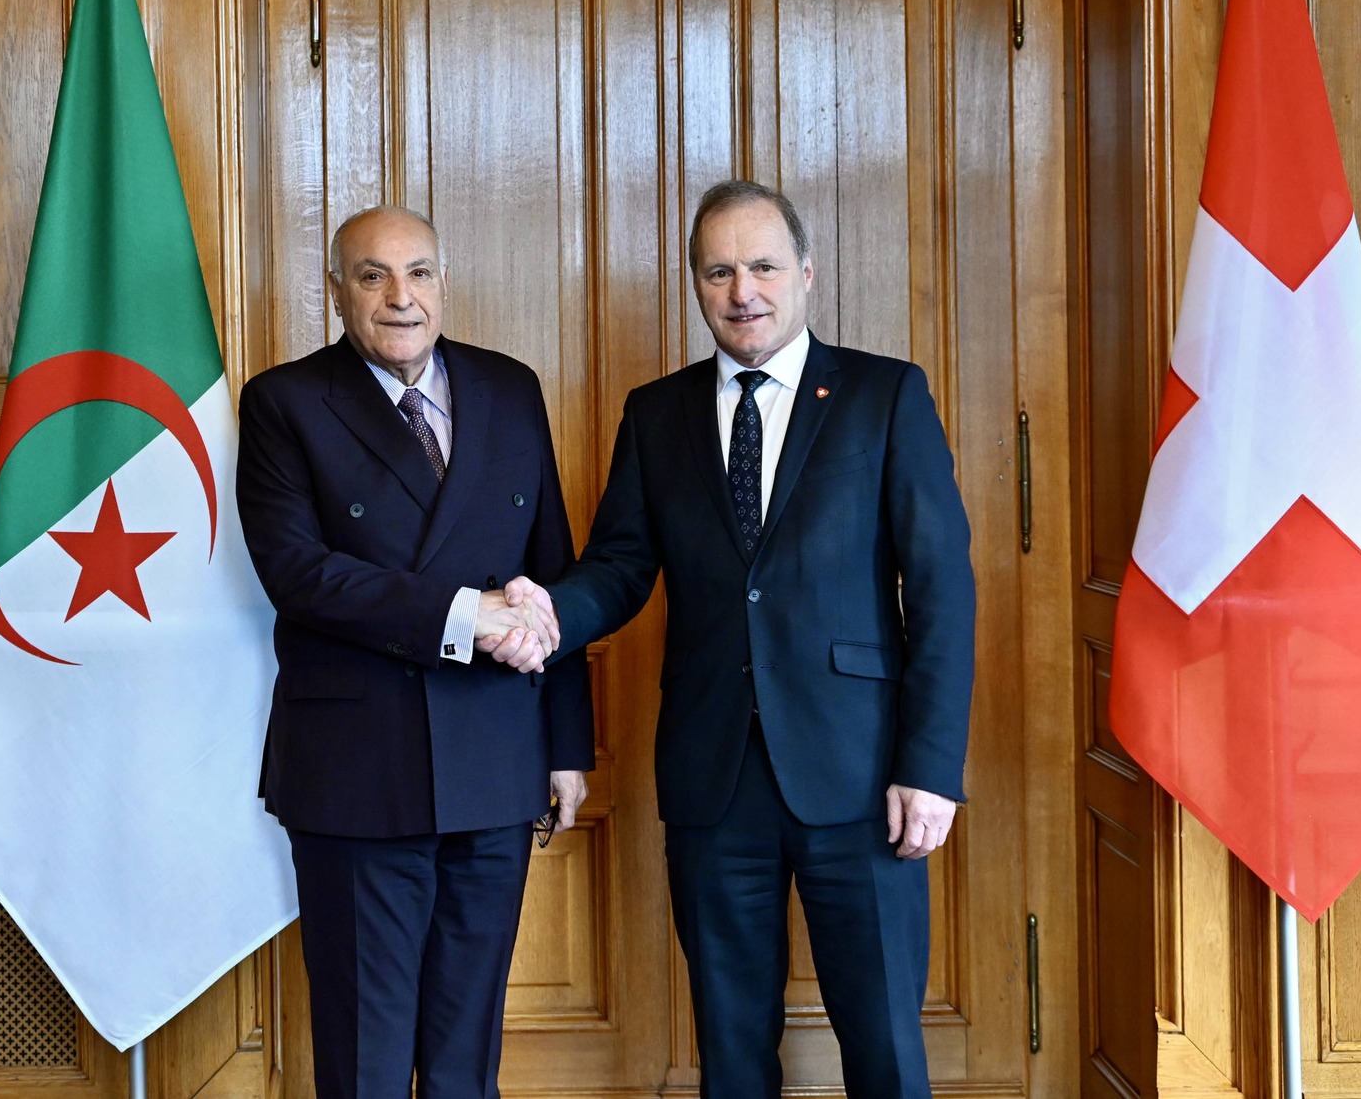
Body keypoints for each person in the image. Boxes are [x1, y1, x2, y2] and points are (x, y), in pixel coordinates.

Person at [500, 180, 975, 1098]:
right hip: (713, 780)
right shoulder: (656, 413)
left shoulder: (884, 395)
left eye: (762, 266)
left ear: (806, 271)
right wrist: (545, 613)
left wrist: (931, 764)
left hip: (861, 776)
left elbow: (942, 588)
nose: (742, 291)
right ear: (696, 284)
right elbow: (619, 567)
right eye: (718, 271)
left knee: (885, 1044)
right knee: (730, 1051)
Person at [236, 204, 589, 1099]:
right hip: (359, 771)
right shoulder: (284, 402)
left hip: (495, 760)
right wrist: (466, 613)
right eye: (373, 276)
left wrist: (566, 745)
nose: (401, 296)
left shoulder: (511, 388)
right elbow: (298, 573)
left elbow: (550, 573)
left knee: (467, 1061)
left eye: (419, 272)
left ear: (444, 282)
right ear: (336, 291)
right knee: (368, 1060)